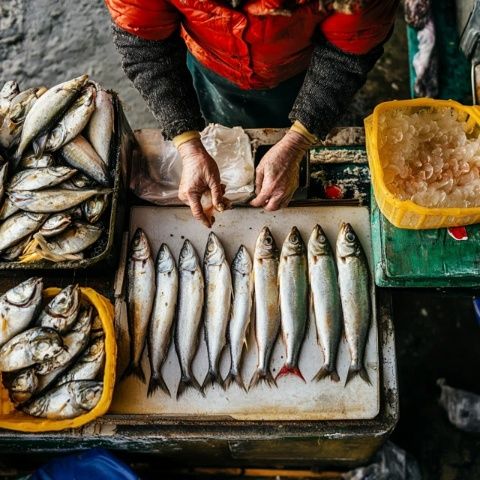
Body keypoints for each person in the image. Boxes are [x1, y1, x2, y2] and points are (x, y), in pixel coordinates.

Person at [106, 0, 398, 226]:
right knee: (219, 112)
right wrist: (189, 145)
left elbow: (349, 51)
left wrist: (299, 139)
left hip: (301, 65)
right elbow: (145, 44)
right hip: (212, 60)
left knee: (312, 116)